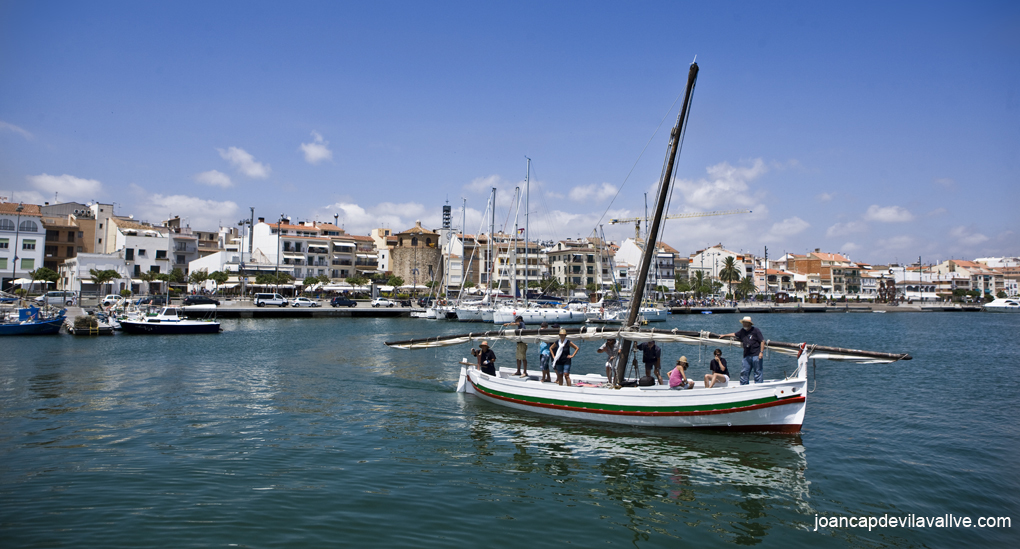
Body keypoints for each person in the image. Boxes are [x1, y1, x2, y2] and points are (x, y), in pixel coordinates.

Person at [721, 316, 764, 385]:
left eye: (745, 323)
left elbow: (762, 341)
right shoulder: (742, 331)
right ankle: (744, 385)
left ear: (749, 324)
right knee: (744, 371)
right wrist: (724, 335)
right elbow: (734, 334)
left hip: (756, 354)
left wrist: (761, 352)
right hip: (747, 355)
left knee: (758, 372)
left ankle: (759, 385)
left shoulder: (756, 330)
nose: (743, 324)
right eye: (743, 323)